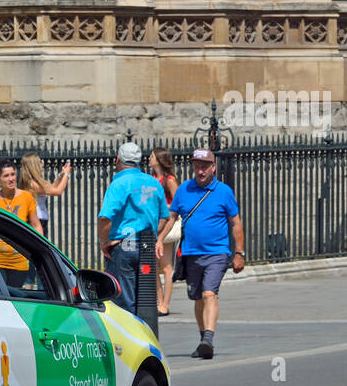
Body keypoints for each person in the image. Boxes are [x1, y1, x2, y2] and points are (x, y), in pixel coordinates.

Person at [166, 148, 246, 360]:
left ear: (213, 167)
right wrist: (157, 239)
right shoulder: (184, 189)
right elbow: (172, 217)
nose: (200, 171)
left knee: (209, 293)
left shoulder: (224, 192)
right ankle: (203, 339)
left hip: (217, 252)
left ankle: (208, 338)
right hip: (191, 253)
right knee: (198, 298)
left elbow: (235, 223)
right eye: (197, 166)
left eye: (204, 166)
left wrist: (239, 253)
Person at [97, 142, 170, 315]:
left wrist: (104, 241)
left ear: (118, 160)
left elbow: (105, 217)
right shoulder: (153, 182)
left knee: (123, 301)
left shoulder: (119, 184)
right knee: (145, 299)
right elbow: (165, 217)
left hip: (124, 245)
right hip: (147, 244)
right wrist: (153, 235)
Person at [0, 160, 42, 288]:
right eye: (6, 176)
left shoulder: (26, 197)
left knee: (14, 299)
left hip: (19, 261)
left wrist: (39, 249)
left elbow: (36, 225)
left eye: (13, 174)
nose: (11, 179)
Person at [149, 147, 179, 316]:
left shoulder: (169, 180)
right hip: (155, 225)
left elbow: (177, 205)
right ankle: (159, 301)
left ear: (160, 160)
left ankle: (165, 304)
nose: (149, 159)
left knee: (167, 266)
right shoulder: (153, 179)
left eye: (152, 156)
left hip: (167, 225)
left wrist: (164, 208)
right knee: (154, 266)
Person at [19, 153, 71, 235]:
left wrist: (61, 175)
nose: (42, 164)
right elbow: (58, 191)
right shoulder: (32, 184)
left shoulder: (33, 182)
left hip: (41, 219)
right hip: (37, 221)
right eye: (39, 162)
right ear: (34, 165)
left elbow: (51, 188)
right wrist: (67, 175)